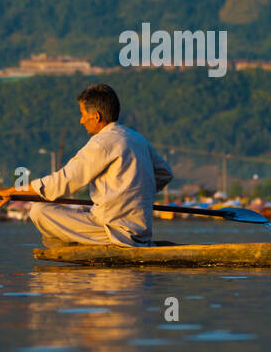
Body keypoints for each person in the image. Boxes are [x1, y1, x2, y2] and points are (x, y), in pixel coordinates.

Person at [12, 84, 172, 247]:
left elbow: (63, 182)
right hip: (140, 232)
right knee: (58, 229)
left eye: (82, 114)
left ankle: (84, 245)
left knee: (39, 211)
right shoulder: (137, 138)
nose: (81, 121)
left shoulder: (102, 143)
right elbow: (165, 174)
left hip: (113, 232)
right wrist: (136, 194)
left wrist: (11, 191)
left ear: (96, 116)